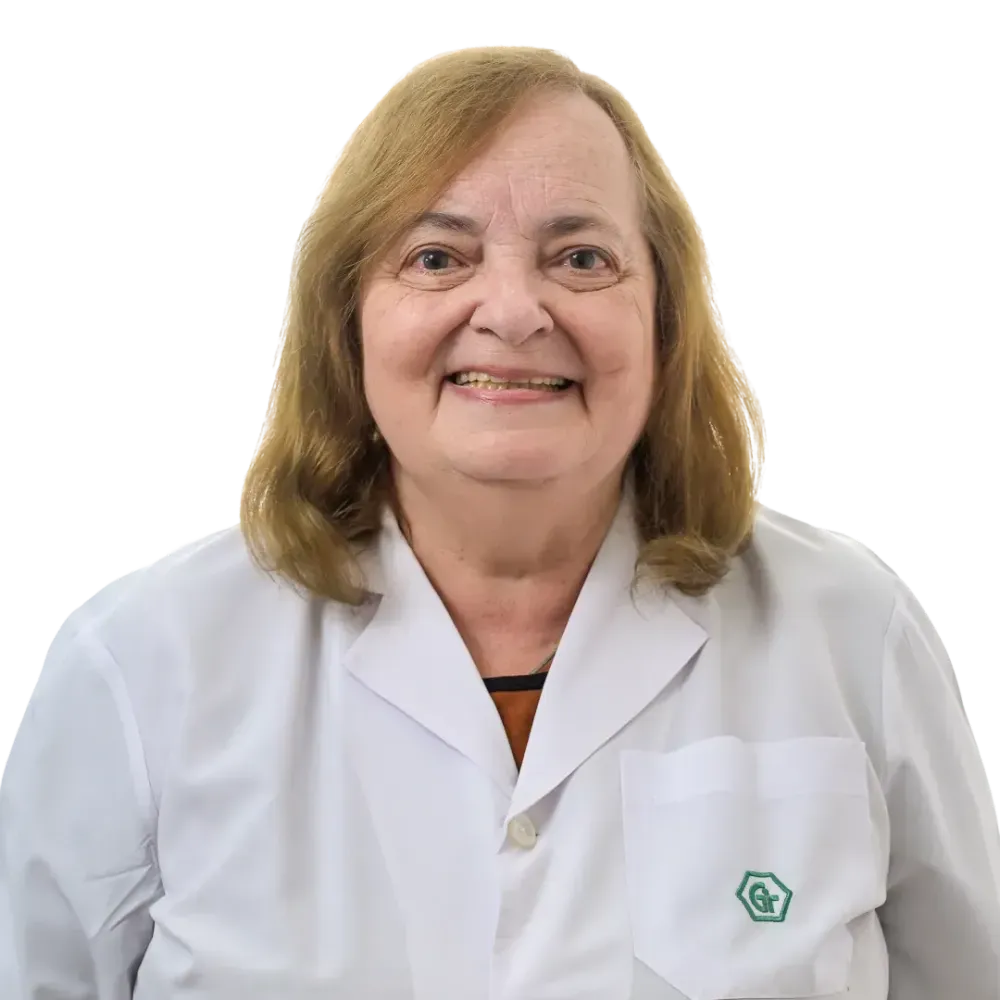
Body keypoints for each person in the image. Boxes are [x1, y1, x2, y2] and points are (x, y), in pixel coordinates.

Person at [1, 43, 997, 1000]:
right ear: (348, 323)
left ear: (664, 321)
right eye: (437, 256)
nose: (514, 311)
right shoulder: (140, 664)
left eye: (581, 257)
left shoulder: (852, 633)